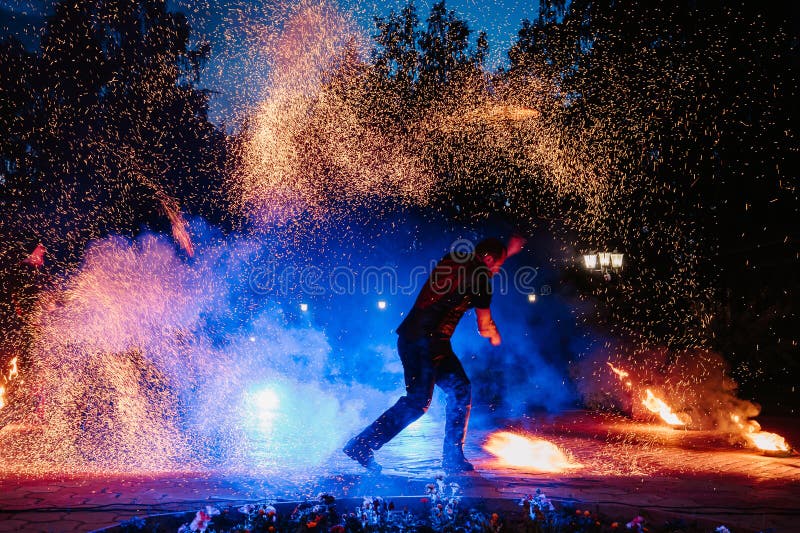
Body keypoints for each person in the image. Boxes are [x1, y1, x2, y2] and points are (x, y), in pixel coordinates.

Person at [344, 235, 526, 473]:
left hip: (429, 342)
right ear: (488, 259)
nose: (497, 272)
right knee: (418, 402)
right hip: (423, 343)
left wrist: (505, 253)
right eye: (497, 265)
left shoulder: (455, 261)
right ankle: (362, 444)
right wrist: (493, 333)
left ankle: (452, 456)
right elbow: (483, 327)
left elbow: (465, 271)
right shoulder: (481, 276)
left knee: (460, 389)